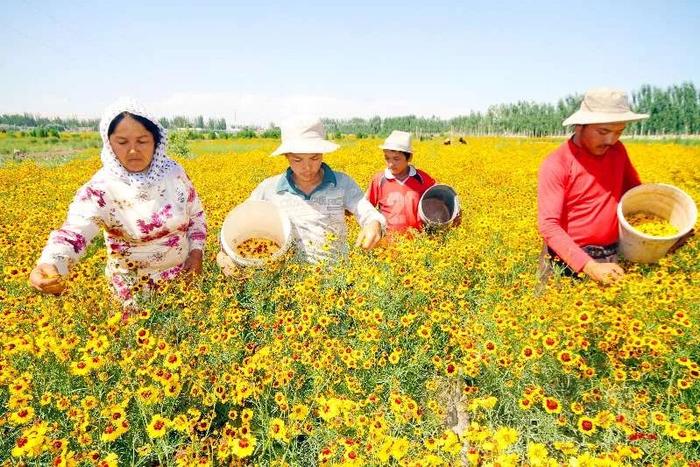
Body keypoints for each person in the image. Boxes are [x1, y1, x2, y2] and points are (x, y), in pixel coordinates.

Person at [29, 98, 207, 303]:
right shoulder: (101, 188)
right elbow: (74, 232)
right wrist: (50, 263)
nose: (133, 150)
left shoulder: (174, 174)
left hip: (183, 284)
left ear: (156, 141)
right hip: (134, 295)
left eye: (142, 141)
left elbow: (196, 215)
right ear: (109, 143)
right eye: (122, 142)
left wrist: (196, 253)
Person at [217, 117, 385, 270]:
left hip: (336, 281)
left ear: (322, 154)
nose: (307, 167)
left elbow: (368, 212)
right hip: (287, 283)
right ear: (286, 157)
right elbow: (238, 222)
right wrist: (224, 254)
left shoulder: (342, 183)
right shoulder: (269, 189)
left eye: (314, 158)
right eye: (297, 160)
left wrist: (374, 224)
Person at [537, 88, 648, 284]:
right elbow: (549, 226)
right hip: (567, 261)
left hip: (611, 255)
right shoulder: (557, 163)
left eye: (619, 132)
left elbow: (634, 195)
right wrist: (590, 267)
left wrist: (665, 230)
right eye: (603, 131)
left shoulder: (618, 151)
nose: (611, 140)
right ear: (580, 126)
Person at [365, 130, 438, 233]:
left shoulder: (422, 178)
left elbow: (440, 197)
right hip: (386, 244)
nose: (390, 164)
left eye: (396, 159)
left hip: (418, 243)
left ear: (409, 157)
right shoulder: (379, 180)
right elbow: (366, 208)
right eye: (387, 158)